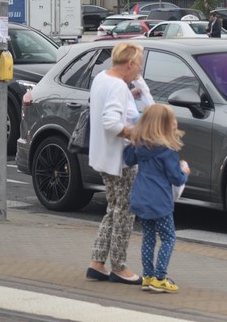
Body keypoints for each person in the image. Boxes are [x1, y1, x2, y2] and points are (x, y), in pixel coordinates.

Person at [86, 41, 152, 286]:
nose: (140, 71)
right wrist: (135, 135)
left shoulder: (103, 78)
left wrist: (130, 94)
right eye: (139, 65)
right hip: (121, 160)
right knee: (124, 212)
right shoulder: (117, 86)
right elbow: (110, 122)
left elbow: (106, 107)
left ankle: (97, 262)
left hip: (103, 156)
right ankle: (120, 267)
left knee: (113, 209)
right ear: (130, 63)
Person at [123, 103, 189, 293]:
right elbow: (176, 178)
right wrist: (184, 170)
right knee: (168, 237)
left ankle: (148, 276)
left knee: (148, 238)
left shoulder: (140, 146)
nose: (176, 123)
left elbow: (128, 160)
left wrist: (132, 139)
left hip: (141, 197)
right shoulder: (167, 151)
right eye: (173, 120)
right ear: (165, 126)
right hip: (160, 200)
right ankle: (160, 277)